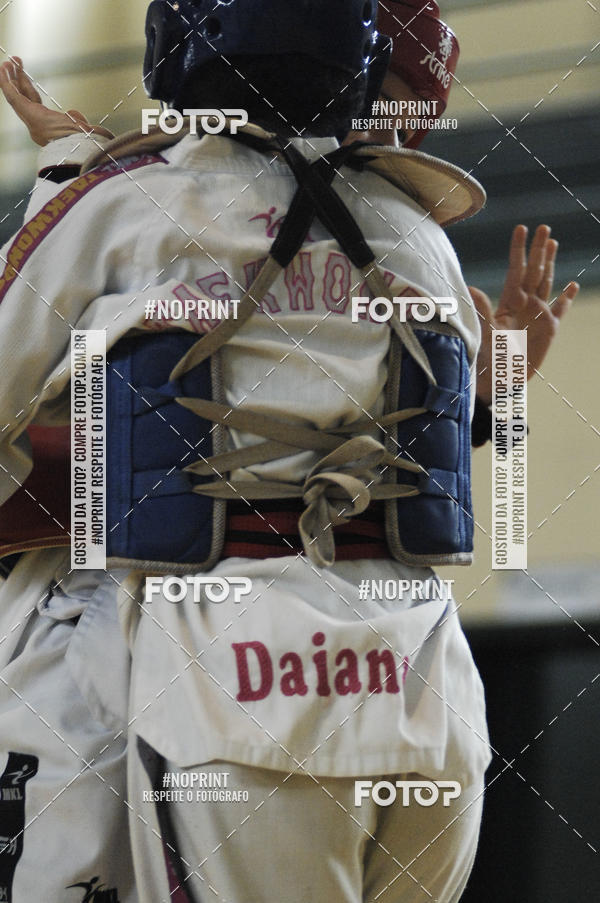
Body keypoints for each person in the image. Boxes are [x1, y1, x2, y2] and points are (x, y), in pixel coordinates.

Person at [0, 3, 492, 900]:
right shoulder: (424, 236)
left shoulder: (125, 200)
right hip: (430, 683)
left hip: (246, 677)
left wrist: (61, 172)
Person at [370, 0, 578, 439]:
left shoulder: (407, 262)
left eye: (404, 132)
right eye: (374, 106)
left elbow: (407, 460)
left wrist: (484, 392)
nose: (388, 139)